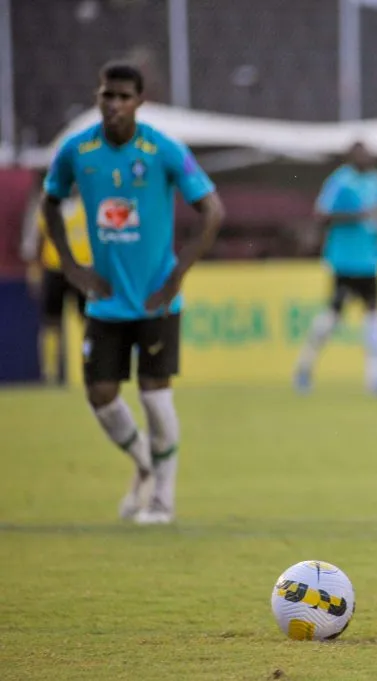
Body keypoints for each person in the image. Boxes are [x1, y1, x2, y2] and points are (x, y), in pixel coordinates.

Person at [42, 62, 225, 524]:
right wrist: (71, 265)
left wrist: (175, 278)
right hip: (105, 298)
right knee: (101, 395)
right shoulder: (76, 151)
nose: (115, 104)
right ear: (97, 97)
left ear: (140, 101)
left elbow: (212, 211)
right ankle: (145, 462)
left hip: (156, 300)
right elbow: (49, 200)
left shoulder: (162, 150)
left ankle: (162, 499)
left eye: (124, 96)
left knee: (154, 397)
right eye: (108, 95)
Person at [293, 141, 377, 397]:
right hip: (345, 260)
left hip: (370, 260)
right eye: (362, 154)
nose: (367, 157)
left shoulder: (376, 180)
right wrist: (356, 216)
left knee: (375, 317)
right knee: (332, 317)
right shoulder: (340, 181)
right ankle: (304, 367)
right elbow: (322, 215)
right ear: (351, 156)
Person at [20, 182, 90, 385]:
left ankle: (88, 368)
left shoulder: (89, 202)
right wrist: (34, 271)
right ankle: (49, 373)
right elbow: (35, 240)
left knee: (87, 324)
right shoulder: (48, 202)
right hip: (54, 268)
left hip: (83, 270)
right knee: (51, 322)